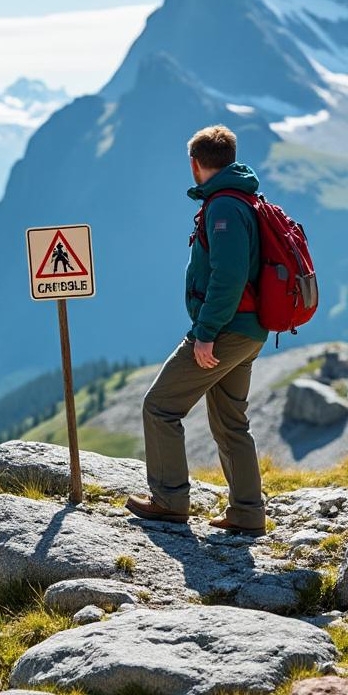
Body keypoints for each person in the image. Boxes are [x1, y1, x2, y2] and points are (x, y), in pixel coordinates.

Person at [126, 124, 269, 536]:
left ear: (195, 165)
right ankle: (247, 511)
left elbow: (228, 276)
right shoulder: (245, 197)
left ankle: (169, 500)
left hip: (224, 330)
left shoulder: (223, 206)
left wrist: (205, 332)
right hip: (251, 330)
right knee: (230, 421)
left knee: (160, 407)